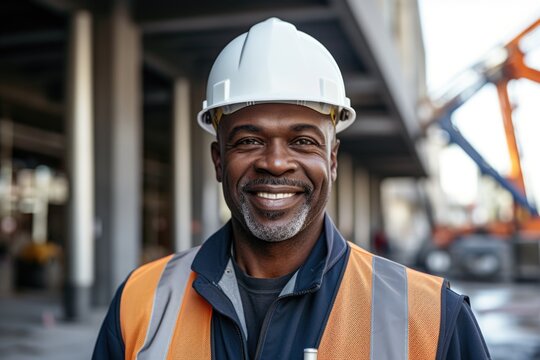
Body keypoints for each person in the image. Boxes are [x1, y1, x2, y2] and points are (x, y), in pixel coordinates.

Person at [93, 18, 490, 360]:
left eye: (302, 141)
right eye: (249, 140)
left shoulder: (432, 316)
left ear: (331, 161)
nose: (276, 162)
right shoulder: (140, 302)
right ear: (218, 160)